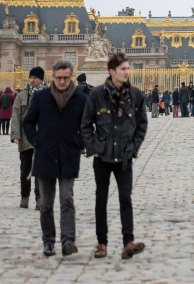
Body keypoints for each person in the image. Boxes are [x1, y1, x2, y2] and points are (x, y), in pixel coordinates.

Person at [81, 53, 148, 261]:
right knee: (101, 200)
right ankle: (102, 243)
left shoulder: (136, 95)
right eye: (123, 69)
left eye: (128, 68)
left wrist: (133, 148)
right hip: (102, 157)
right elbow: (85, 125)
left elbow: (142, 125)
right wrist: (94, 147)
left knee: (125, 199)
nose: (127, 72)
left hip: (124, 156)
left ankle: (128, 242)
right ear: (112, 72)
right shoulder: (97, 95)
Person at [23, 60, 87, 257]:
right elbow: (28, 122)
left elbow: (88, 124)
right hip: (46, 155)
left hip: (68, 154)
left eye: (65, 78)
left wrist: (79, 142)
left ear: (71, 77)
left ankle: (68, 241)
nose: (62, 81)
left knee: (67, 199)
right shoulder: (41, 97)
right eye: (58, 78)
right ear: (53, 77)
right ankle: (48, 242)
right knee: (46, 204)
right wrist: (37, 141)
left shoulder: (80, 98)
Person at [11, 66, 46, 210]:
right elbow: (16, 116)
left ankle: (40, 198)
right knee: (25, 169)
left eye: (34, 78)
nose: (31, 80)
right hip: (25, 137)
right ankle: (24, 197)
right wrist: (15, 135)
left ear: (41, 79)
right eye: (30, 77)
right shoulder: (21, 96)